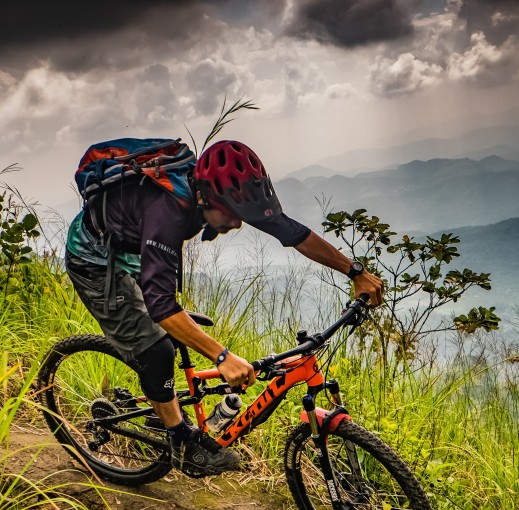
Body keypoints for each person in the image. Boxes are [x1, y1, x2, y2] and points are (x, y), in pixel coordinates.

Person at [65, 139, 384, 477]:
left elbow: (292, 232)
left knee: (173, 331)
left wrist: (355, 271)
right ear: (204, 198)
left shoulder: (224, 196)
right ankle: (181, 443)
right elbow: (160, 305)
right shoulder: (168, 211)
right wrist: (222, 356)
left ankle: (159, 403)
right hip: (96, 260)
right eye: (233, 217)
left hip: (136, 248)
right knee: (156, 349)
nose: (238, 225)